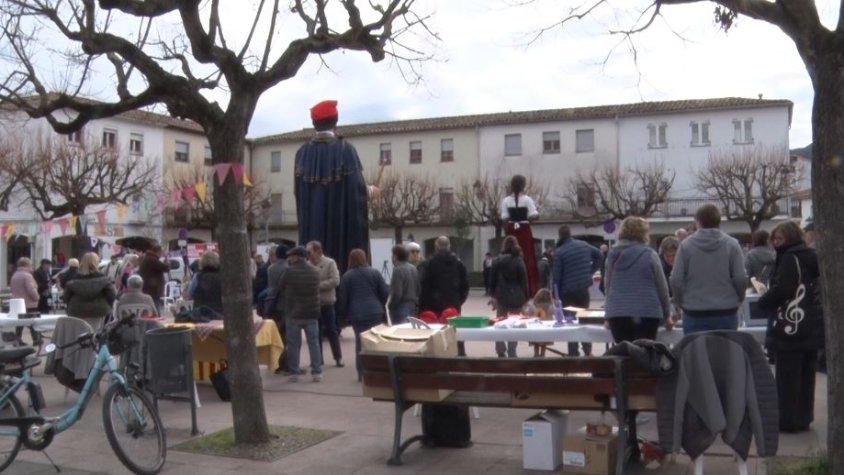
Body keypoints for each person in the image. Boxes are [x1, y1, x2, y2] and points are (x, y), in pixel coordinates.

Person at [294, 100, 377, 274]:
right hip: (340, 228)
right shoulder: (346, 150)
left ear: (314, 123)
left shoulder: (301, 153)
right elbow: (356, 190)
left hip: (311, 225)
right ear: (336, 121)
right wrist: (370, 191)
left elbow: (298, 194)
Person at [757, 221, 822, 433]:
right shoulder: (811, 256)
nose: (776, 243)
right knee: (806, 376)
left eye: (780, 239)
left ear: (790, 239)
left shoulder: (788, 258)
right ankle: (804, 417)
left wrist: (763, 301)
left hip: (789, 325)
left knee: (787, 378)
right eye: (774, 239)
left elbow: (784, 289)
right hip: (810, 323)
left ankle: (787, 420)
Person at [670, 204, 747, 334]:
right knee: (726, 347)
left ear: (698, 222)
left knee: (695, 347)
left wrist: (680, 302)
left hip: (694, 311)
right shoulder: (732, 245)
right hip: (726, 310)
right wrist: (739, 298)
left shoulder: (686, 246)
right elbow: (740, 278)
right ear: (719, 221)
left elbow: (676, 279)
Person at [603, 217, 672, 343]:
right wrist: (668, 315)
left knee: (624, 352)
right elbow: (662, 288)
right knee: (644, 351)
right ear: (643, 233)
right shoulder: (650, 255)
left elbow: (608, 287)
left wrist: (608, 314)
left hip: (618, 313)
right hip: (647, 312)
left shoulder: (612, 256)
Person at [337, 249, 389, 381]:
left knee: (360, 342)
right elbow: (384, 293)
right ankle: (376, 370)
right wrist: (383, 309)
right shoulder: (375, 272)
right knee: (375, 341)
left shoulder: (347, 276)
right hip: (375, 311)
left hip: (357, 314)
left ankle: (362, 372)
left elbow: (343, 298)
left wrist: (341, 318)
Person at [552, 225, 601, 356]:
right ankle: (588, 351)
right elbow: (599, 255)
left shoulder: (560, 252)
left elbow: (556, 277)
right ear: (570, 234)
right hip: (583, 291)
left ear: (560, 236)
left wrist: (555, 295)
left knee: (570, 322)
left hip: (567, 293)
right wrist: (590, 272)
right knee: (584, 321)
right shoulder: (584, 245)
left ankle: (573, 353)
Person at [277, 246, 323, 382]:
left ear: (296, 257)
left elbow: (280, 286)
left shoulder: (288, 272)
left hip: (293, 313)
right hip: (311, 313)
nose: (289, 258)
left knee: (293, 344)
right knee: (313, 343)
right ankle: (316, 372)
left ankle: (294, 373)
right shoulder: (315, 271)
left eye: (291, 256)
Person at [418, 236, 470, 354]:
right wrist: (458, 301)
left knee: (433, 333)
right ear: (449, 246)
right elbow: (465, 286)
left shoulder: (428, 263)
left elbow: (422, 285)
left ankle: (436, 355)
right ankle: (460, 354)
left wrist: (424, 303)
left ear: (436, 246)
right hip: (453, 305)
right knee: (455, 331)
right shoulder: (458, 263)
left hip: (432, 306)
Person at [500, 174, 540, 297]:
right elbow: (534, 215)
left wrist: (509, 229)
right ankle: (530, 288)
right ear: (523, 186)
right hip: (524, 228)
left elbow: (504, 218)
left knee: (508, 254)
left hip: (511, 228)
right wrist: (526, 219)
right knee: (527, 256)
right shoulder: (527, 200)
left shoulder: (506, 200)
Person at [489, 236, 529, 357]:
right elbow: (524, 281)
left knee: (499, 324)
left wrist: (492, 295)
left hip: (501, 296)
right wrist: (526, 298)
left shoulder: (497, 261)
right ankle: (512, 350)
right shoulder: (519, 261)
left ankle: (500, 350)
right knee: (514, 325)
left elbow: (492, 280)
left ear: (504, 246)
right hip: (516, 297)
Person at [306, 241, 343, 368]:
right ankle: (318, 359)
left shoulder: (329, 263)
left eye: (309, 252)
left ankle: (338, 358)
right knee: (315, 333)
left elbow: (335, 280)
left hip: (327, 303)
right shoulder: (307, 265)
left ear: (317, 251)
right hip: (313, 304)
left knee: (332, 331)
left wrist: (318, 286)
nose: (308, 255)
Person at [63, 252, 117, 330]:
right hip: (99, 311)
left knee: (80, 333)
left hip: (77, 311)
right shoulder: (104, 280)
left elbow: (65, 298)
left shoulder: (73, 281)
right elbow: (112, 295)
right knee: (97, 332)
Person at [9, 257, 41, 345]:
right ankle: (36, 339)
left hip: (18, 303)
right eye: (30, 264)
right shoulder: (27, 276)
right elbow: (31, 289)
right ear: (27, 265)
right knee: (32, 321)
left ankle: (17, 339)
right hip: (28, 302)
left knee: (20, 323)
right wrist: (37, 297)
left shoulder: (15, 275)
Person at [388, 244, 419, 325]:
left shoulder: (397, 270)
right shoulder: (413, 268)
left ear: (395, 256)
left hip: (401, 308)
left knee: (401, 331)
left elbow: (397, 293)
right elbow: (418, 289)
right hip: (413, 307)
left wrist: (390, 307)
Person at [187, 250, 224, 319]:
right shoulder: (223, 276)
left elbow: (189, 295)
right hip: (221, 312)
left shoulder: (197, 277)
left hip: (201, 313)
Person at [138, 245, 169, 311]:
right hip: (153, 289)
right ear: (158, 252)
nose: (161, 255)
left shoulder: (148, 258)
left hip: (149, 288)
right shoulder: (152, 259)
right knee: (154, 308)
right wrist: (167, 259)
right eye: (161, 253)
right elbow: (166, 268)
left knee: (151, 307)